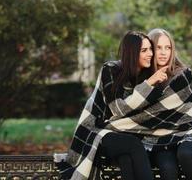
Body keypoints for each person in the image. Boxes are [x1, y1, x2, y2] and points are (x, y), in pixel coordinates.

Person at [54, 31, 155, 180]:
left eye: (150, 49)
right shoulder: (111, 70)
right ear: (132, 53)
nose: (150, 54)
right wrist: (149, 84)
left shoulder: (145, 76)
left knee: (126, 158)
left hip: (124, 135)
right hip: (96, 131)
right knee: (133, 145)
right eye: (144, 50)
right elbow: (118, 108)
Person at [147, 28, 192, 180]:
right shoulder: (144, 80)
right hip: (159, 137)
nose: (164, 52)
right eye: (158, 48)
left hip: (189, 130)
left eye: (168, 48)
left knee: (186, 154)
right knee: (168, 168)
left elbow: (189, 111)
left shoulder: (183, 75)